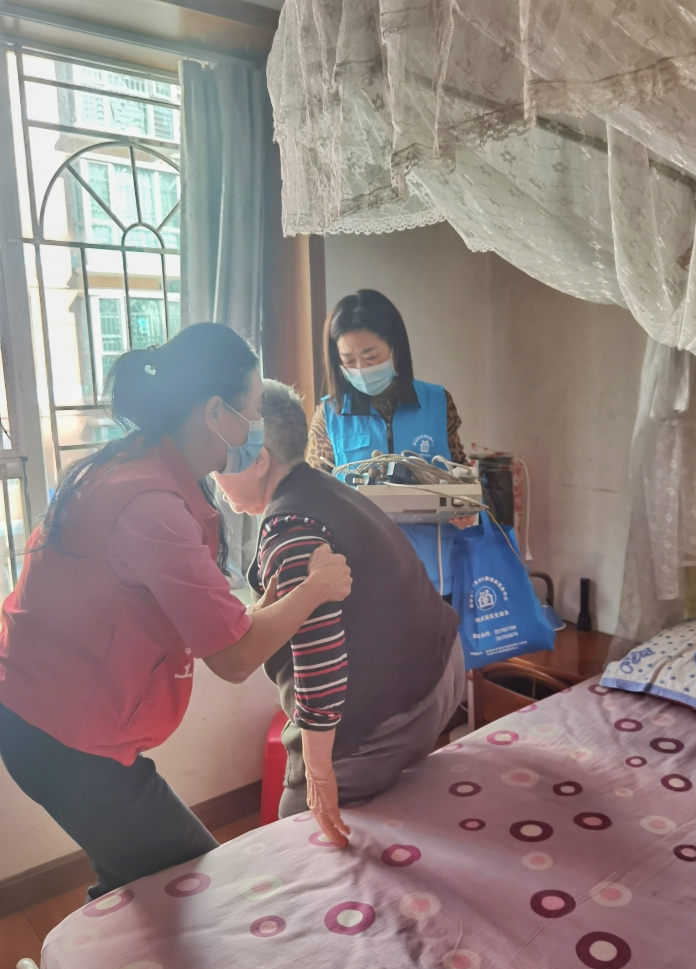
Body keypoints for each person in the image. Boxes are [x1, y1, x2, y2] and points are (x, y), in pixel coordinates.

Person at [0, 324, 351, 900]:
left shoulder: (137, 465)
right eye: (251, 409)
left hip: (50, 713)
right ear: (215, 412)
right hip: (59, 733)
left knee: (140, 879)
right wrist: (316, 588)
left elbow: (210, 616)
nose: (255, 425)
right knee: (192, 885)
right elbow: (234, 658)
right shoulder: (151, 505)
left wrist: (272, 604)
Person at [218, 380, 465, 847]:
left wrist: (316, 775)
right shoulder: (327, 487)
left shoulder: (289, 527)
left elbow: (319, 661)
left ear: (259, 459)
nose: (215, 477)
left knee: (297, 824)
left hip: (404, 708)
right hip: (444, 667)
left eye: (220, 464)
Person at [307, 289, 472, 599]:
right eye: (348, 360)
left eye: (371, 357)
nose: (361, 368)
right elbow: (314, 493)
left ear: (396, 347)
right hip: (360, 576)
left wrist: (465, 507)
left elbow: (460, 473)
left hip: (434, 571)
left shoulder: (437, 403)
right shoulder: (329, 416)